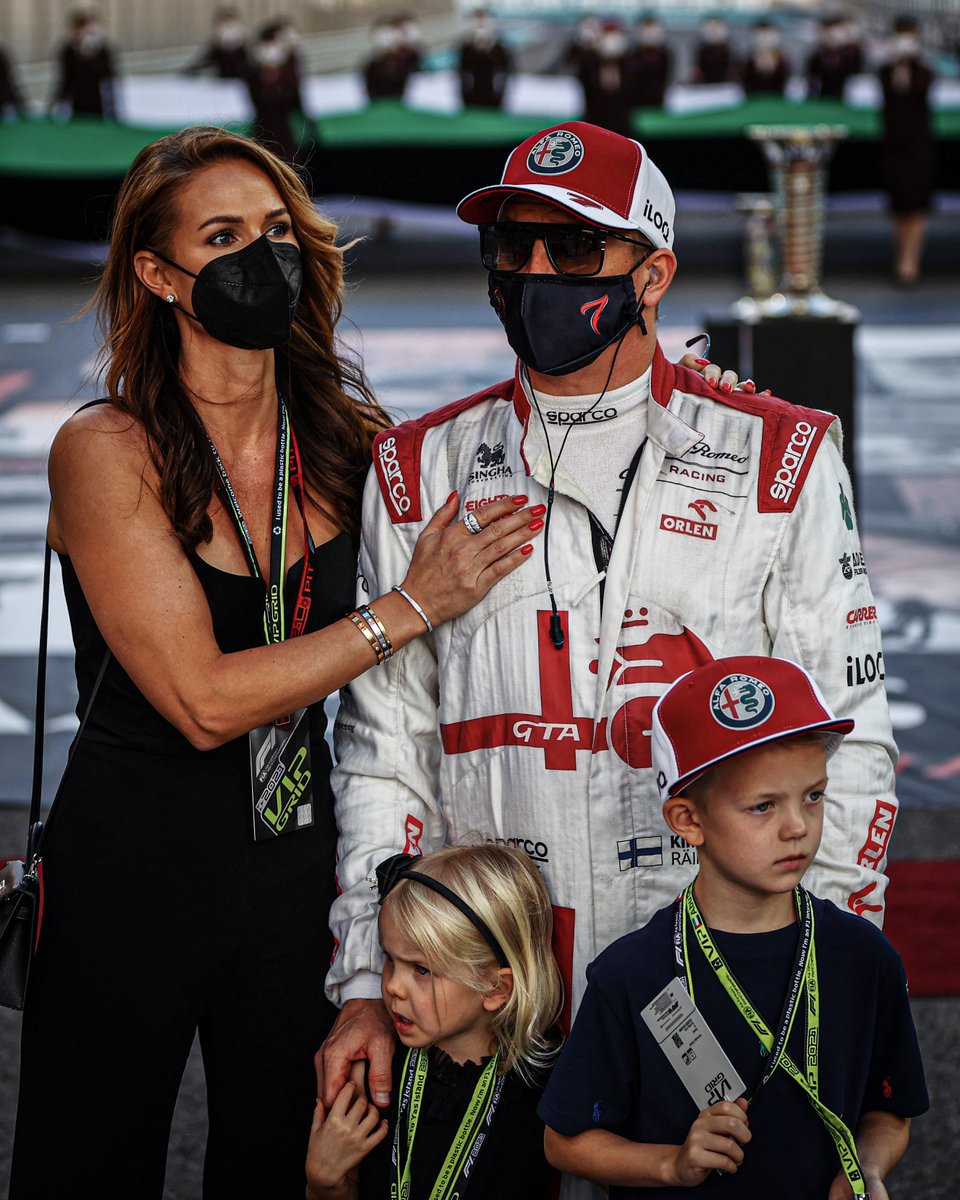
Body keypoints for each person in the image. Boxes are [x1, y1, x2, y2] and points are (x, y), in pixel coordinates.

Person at [320, 123, 900, 1184]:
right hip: (486, 989)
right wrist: (369, 975)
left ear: (655, 272)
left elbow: (848, 739)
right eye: (515, 246)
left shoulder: (780, 455)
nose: (537, 273)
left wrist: (830, 968)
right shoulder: (418, 467)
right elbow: (382, 754)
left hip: (708, 982)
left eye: (577, 249)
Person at [8, 124, 544, 1200]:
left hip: (297, 875)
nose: (265, 257)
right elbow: (204, 702)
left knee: (289, 1168)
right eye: (223, 237)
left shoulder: (347, 439)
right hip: (128, 872)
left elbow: (522, 473)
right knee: (85, 1170)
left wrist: (678, 390)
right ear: (158, 275)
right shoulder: (107, 448)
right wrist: (405, 608)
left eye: (279, 231)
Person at [540, 656, 928, 1197]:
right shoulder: (632, 973)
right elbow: (565, 1142)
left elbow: (889, 1112)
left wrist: (866, 1168)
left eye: (813, 795)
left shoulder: (863, 956)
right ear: (688, 820)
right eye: (763, 806)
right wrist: (671, 1164)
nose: (797, 827)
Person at [305, 844, 562, 1198]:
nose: (392, 986)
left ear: (494, 988)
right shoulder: (378, 1070)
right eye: (389, 959)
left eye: (421, 970)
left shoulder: (546, 1092)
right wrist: (324, 1182)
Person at [878, 16, 935, 287]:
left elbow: (921, 89)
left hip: (918, 147)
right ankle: (901, 256)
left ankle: (910, 262)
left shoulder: (924, 71)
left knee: (916, 205)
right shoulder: (885, 71)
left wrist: (910, 62)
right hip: (893, 147)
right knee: (899, 205)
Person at [246, 18, 305, 163]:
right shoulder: (252, 76)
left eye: (275, 44)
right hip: (262, 139)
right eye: (267, 44)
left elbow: (296, 105)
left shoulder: (290, 77)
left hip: (286, 141)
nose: (271, 50)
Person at [51, 7, 117, 119]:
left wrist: (112, 108)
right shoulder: (69, 50)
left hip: (97, 103)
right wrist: (58, 103)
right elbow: (65, 79)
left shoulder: (102, 50)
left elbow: (108, 79)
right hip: (77, 103)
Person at [458, 8, 512, 111]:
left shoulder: (499, 49)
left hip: (494, 100)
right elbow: (463, 76)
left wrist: (500, 99)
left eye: (484, 21)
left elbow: (503, 77)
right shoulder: (466, 49)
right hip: (471, 100)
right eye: (477, 21)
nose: (481, 25)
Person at [186, 5, 249, 79]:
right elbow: (198, 65)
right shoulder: (213, 48)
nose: (229, 30)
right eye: (225, 25)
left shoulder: (247, 48)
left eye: (231, 26)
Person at [631, 14, 671, 109]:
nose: (649, 33)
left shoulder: (665, 54)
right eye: (646, 28)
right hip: (637, 103)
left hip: (659, 102)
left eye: (652, 28)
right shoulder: (633, 54)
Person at [741, 20, 789, 97]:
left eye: (768, 35)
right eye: (761, 35)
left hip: (777, 98)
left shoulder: (783, 59)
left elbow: (786, 83)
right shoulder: (748, 59)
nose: (764, 39)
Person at [692, 15, 735, 86]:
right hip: (706, 87)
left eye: (717, 27)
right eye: (711, 28)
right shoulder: (702, 50)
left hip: (726, 86)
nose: (714, 31)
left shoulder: (730, 50)